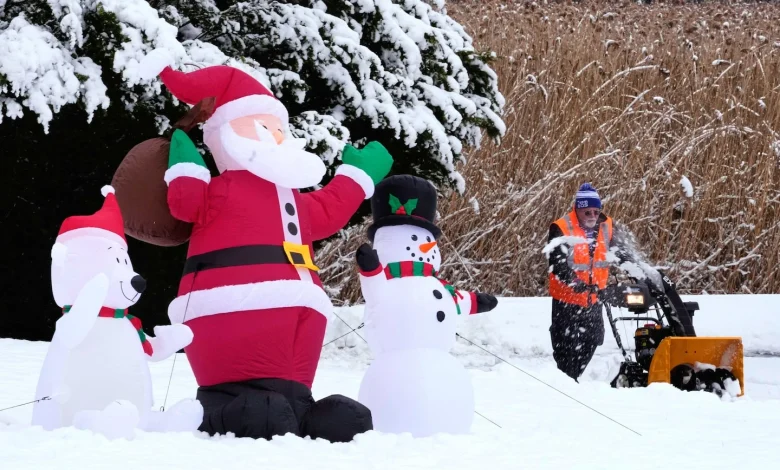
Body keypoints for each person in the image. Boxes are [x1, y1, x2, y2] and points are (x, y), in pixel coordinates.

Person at [546, 183, 626, 381]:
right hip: (567, 300)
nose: (592, 215)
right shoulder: (562, 228)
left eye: (596, 211)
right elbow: (557, 264)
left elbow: (622, 254)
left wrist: (632, 271)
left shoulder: (608, 227)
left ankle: (572, 378)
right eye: (587, 211)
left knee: (593, 339)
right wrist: (575, 283)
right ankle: (567, 381)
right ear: (577, 209)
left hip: (594, 299)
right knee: (565, 346)